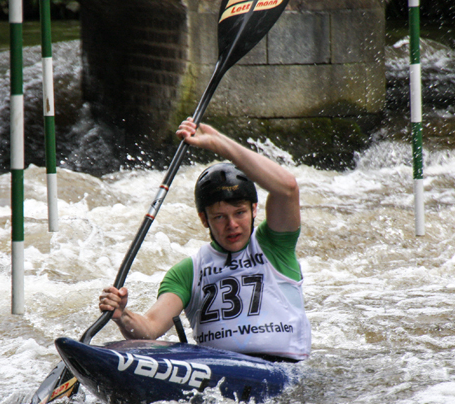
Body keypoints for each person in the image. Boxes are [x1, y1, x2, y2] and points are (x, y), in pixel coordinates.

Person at [98, 117, 311, 361]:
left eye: (239, 213)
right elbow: (150, 328)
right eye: (219, 217)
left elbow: (287, 188)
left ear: (254, 209)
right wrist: (122, 315)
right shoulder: (188, 272)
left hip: (284, 369)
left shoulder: (275, 246)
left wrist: (219, 145)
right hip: (219, 373)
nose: (232, 225)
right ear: (203, 219)